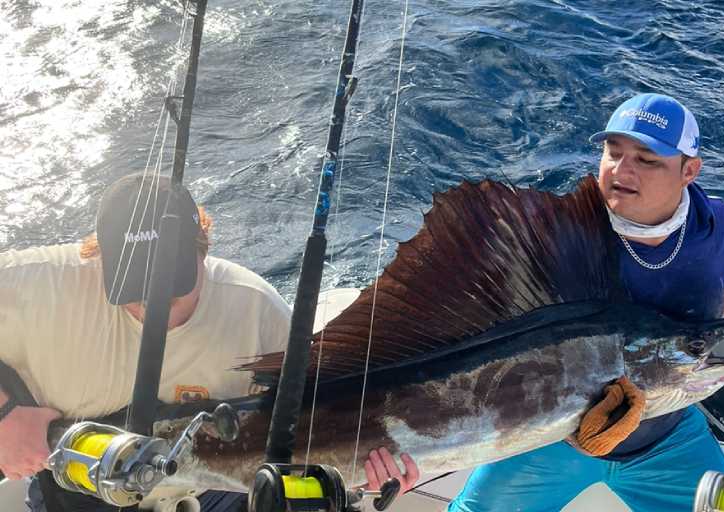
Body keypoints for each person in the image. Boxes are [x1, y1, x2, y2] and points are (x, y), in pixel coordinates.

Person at [0, 172, 418, 512]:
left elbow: (315, 427)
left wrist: (366, 470)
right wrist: (5, 415)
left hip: (207, 491)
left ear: (204, 248)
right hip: (78, 490)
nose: (152, 306)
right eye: (134, 291)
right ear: (98, 257)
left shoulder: (256, 310)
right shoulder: (39, 286)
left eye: (171, 288)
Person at [444, 93, 724, 511]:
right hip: (554, 440)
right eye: (614, 152)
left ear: (690, 170)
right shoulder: (561, 238)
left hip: (667, 436)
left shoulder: (713, 221)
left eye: (647, 159)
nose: (622, 170)